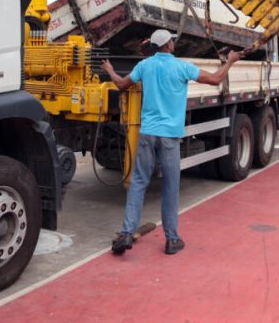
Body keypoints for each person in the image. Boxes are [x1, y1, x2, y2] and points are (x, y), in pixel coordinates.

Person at [101, 29, 241, 255]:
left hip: (147, 134)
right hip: (170, 137)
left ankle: (126, 233)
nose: (174, 43)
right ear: (168, 45)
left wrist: (109, 70)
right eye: (172, 41)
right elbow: (216, 79)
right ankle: (172, 240)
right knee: (170, 187)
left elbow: (121, 84)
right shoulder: (181, 67)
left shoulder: (145, 66)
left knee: (138, 183)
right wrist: (230, 62)